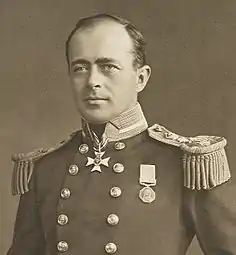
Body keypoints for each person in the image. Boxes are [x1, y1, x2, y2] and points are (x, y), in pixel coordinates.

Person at [7, 13, 236, 255]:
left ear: (141, 78)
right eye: (80, 68)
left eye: (108, 67)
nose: (92, 81)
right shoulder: (47, 169)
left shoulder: (186, 165)